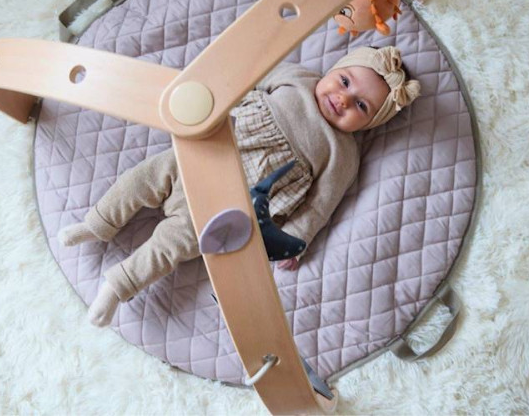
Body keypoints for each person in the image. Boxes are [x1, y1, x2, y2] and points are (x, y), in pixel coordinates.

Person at [58, 45, 421, 327]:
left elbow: (320, 206)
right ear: (334, 69)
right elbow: (247, 77)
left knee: (173, 244)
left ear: (368, 125)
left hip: (229, 204)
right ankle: (98, 223)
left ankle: (117, 287)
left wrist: (295, 240)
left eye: (361, 105)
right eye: (344, 82)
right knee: (143, 176)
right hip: (206, 153)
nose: (342, 99)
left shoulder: (343, 154)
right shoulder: (297, 78)